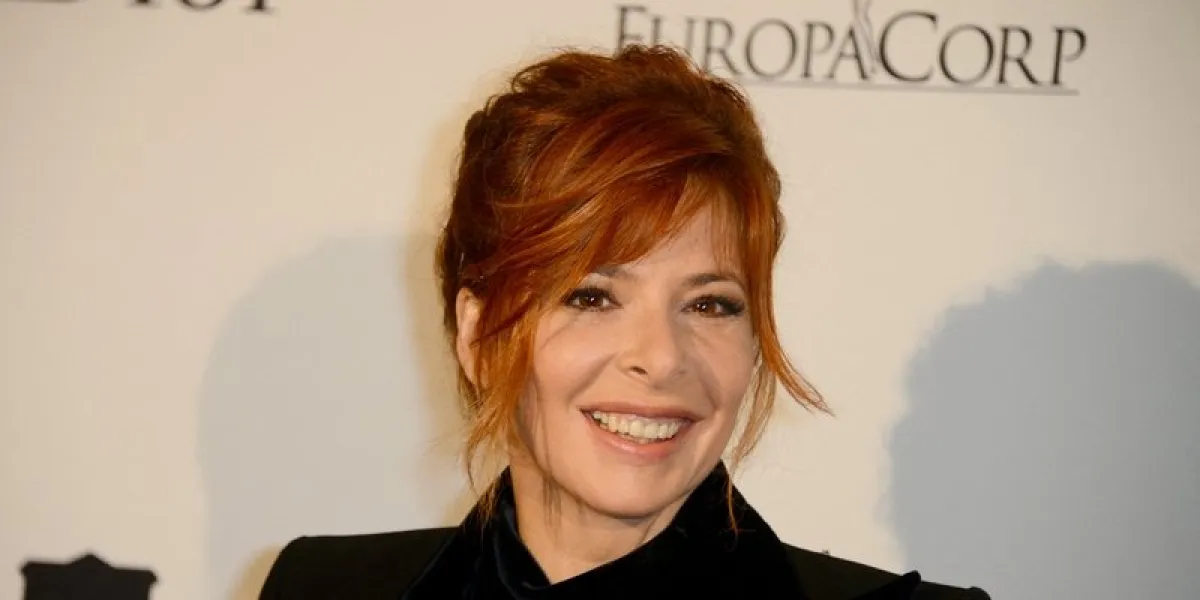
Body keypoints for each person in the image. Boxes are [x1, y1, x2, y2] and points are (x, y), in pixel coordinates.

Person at [258, 44, 990, 600]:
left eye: (710, 304)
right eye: (592, 297)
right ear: (478, 334)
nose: (660, 356)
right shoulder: (320, 588)